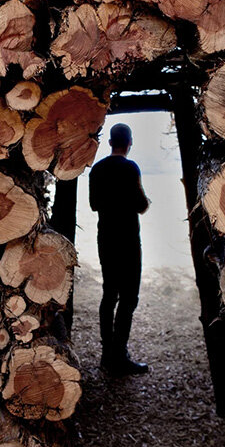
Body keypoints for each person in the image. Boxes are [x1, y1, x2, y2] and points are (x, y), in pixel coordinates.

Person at [89, 123, 150, 376]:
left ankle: (107, 355)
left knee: (109, 295)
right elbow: (141, 205)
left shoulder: (97, 169)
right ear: (129, 143)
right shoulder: (130, 168)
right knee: (128, 299)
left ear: (111, 142)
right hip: (128, 242)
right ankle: (119, 355)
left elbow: (93, 205)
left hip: (106, 240)